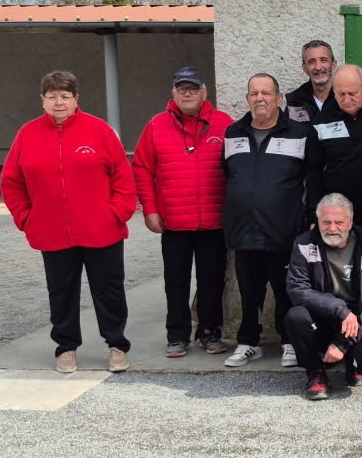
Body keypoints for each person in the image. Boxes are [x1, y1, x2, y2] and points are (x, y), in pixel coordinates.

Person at [1, 70, 136, 373]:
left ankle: (116, 344)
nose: (58, 102)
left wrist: (116, 212)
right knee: (60, 291)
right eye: (52, 96)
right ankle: (66, 347)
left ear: (76, 99)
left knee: (109, 289)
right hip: (52, 232)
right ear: (43, 100)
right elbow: (11, 181)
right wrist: (26, 217)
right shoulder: (27, 134)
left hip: (102, 230)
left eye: (65, 96)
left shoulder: (99, 131)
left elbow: (123, 177)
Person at [133, 66, 234, 357]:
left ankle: (210, 332)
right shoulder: (156, 125)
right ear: (173, 93)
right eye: (181, 88)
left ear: (204, 92)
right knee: (175, 282)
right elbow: (141, 167)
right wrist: (150, 210)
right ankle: (177, 336)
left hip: (214, 221)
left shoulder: (224, 124)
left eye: (193, 88)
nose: (187, 93)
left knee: (212, 281)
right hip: (174, 222)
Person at [305, 65, 362, 347]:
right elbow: (313, 173)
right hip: (339, 220)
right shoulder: (320, 123)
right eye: (341, 94)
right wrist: (313, 215)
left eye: (353, 93)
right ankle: (339, 337)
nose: (347, 99)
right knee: (340, 277)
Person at [222, 73, 309, 367]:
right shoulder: (233, 134)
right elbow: (229, 177)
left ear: (278, 98)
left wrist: (308, 220)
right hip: (244, 232)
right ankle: (248, 342)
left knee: (286, 291)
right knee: (249, 292)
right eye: (254, 93)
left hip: (283, 231)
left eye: (266, 93)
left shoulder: (299, 133)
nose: (260, 98)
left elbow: (312, 180)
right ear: (247, 99)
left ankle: (289, 342)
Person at [285, 193, 362, 400]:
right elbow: (297, 289)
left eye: (339, 222)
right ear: (318, 222)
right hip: (322, 318)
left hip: (355, 322)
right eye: (326, 222)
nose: (332, 228)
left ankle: (352, 361)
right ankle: (316, 372)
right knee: (295, 316)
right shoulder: (304, 244)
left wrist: (343, 342)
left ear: (350, 222)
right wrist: (339, 309)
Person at [285, 40, 337, 123]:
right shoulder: (295, 101)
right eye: (312, 62)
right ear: (304, 68)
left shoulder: (346, 97)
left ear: (333, 64)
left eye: (323, 60)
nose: (318, 67)